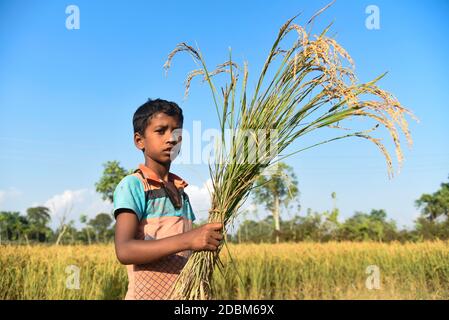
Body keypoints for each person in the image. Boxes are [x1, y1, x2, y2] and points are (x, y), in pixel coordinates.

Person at [113, 98, 223, 300]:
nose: (171, 139)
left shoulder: (181, 191)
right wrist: (188, 240)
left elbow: (189, 250)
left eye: (177, 132)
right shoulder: (134, 185)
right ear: (139, 141)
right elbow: (124, 250)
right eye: (160, 131)